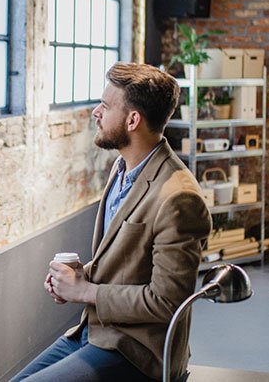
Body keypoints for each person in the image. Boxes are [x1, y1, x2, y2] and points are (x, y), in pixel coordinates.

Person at [11, 62, 212, 382]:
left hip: (139, 351)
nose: (96, 112)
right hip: (96, 331)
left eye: (105, 105)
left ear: (133, 119)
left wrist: (85, 291)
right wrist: (77, 278)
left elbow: (166, 303)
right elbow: (127, 265)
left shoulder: (178, 199)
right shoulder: (122, 169)